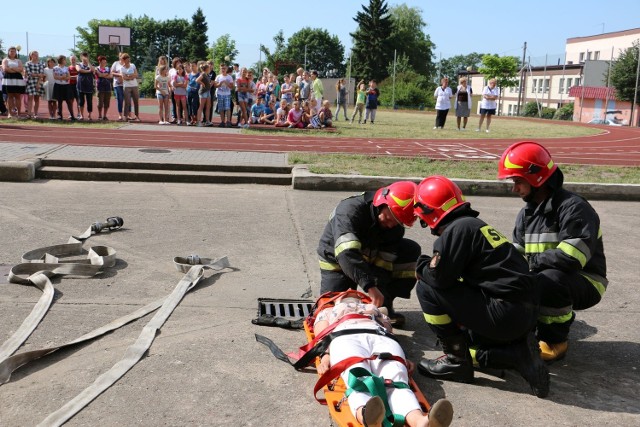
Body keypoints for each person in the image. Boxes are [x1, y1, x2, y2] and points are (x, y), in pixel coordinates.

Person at [413, 175, 549, 398]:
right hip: (524, 314)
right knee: (469, 337)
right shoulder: (476, 227)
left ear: (429, 212)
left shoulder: (457, 230)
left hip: (505, 314)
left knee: (427, 289)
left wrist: (421, 266)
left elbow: (438, 278)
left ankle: (456, 361)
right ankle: (516, 355)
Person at [497, 141, 607, 362]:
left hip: (586, 280)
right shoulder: (526, 214)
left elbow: (572, 258)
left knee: (549, 280)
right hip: (545, 275)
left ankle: (555, 341)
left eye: (518, 181)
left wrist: (531, 264)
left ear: (536, 178)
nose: (514, 188)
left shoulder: (574, 208)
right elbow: (518, 256)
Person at [314, 291, 454, 427]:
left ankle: (420, 422)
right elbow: (321, 335)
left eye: (355, 293)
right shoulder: (328, 311)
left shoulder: (375, 310)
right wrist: (325, 356)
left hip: (380, 337)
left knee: (397, 379)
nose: (350, 292)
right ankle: (368, 417)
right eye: (344, 294)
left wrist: (402, 358)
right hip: (345, 336)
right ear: (336, 300)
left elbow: (389, 331)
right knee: (359, 378)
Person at [317, 181, 420, 326]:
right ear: (383, 203)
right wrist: (370, 286)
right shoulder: (350, 211)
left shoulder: (394, 228)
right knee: (332, 311)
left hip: (367, 258)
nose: (392, 225)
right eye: (391, 218)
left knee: (410, 249)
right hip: (337, 261)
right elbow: (346, 254)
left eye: (399, 222)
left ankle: (385, 306)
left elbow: (384, 265)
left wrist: (380, 294)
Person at [2, 46, 26, 119]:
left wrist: (11, 68)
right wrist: (16, 69)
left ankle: (18, 114)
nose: (12, 53)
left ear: (16, 53)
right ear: (8, 52)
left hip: (18, 79)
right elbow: (5, 69)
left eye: (14, 51)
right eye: (11, 51)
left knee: (17, 96)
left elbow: (21, 69)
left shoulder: (18, 61)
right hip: (8, 79)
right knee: (10, 96)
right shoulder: (5, 60)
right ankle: (10, 113)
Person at [52, 55, 75, 121]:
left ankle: (72, 115)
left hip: (66, 86)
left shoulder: (66, 68)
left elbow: (68, 77)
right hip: (58, 85)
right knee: (59, 101)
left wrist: (64, 77)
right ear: (61, 60)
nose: (65, 61)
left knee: (69, 101)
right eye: (64, 59)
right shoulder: (55, 68)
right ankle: (60, 116)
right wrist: (63, 77)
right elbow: (55, 77)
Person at [25, 51, 45, 119]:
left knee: (37, 98)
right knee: (30, 97)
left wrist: (38, 83)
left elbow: (42, 74)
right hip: (30, 82)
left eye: (37, 55)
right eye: (34, 55)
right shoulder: (28, 63)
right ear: (31, 55)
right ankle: (29, 114)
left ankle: (35, 114)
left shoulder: (40, 64)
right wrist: (37, 74)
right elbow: (29, 73)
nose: (36, 56)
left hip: (38, 82)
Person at [120, 53, 140, 122]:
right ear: (123, 60)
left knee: (136, 101)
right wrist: (130, 76)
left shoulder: (133, 65)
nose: (128, 60)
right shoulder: (122, 68)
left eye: (129, 59)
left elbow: (136, 75)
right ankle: (125, 116)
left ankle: (137, 116)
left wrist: (128, 76)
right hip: (127, 86)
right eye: (127, 59)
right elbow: (124, 77)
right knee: (127, 102)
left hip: (134, 85)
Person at [76, 52, 95, 121]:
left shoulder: (91, 64)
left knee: (89, 101)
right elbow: (79, 70)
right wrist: (88, 71)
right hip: (81, 85)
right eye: (83, 56)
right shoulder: (78, 64)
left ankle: (89, 115)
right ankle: (81, 115)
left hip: (89, 85)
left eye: (86, 56)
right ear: (81, 57)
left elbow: (93, 70)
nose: (85, 57)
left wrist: (88, 62)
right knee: (81, 101)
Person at [214, 63, 234, 128]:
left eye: (224, 68)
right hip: (220, 94)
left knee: (228, 108)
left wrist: (227, 83)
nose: (223, 69)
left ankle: (228, 121)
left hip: (227, 94)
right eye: (222, 68)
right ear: (220, 69)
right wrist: (220, 84)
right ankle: (222, 121)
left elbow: (232, 87)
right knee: (221, 108)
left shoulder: (229, 77)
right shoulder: (218, 77)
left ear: (227, 69)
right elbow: (215, 85)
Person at [95, 56, 112, 121]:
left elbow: (111, 76)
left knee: (107, 103)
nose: (105, 62)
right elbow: (99, 75)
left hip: (107, 87)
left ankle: (105, 115)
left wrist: (103, 74)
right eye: (103, 61)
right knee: (100, 103)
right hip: (100, 87)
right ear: (100, 61)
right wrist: (106, 74)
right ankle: (100, 115)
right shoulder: (97, 68)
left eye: (105, 61)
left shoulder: (108, 68)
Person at [195, 63, 213, 127]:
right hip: (203, 92)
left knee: (208, 106)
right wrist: (202, 83)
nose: (210, 68)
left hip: (208, 91)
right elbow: (197, 80)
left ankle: (207, 121)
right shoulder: (203, 74)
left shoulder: (207, 74)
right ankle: (198, 121)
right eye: (209, 68)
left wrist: (211, 84)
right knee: (201, 106)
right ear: (206, 69)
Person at [111, 53, 125, 121]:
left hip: (126, 85)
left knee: (128, 100)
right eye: (120, 56)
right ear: (119, 57)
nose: (122, 58)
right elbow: (112, 72)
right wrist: (119, 74)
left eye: (123, 56)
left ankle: (128, 115)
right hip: (117, 84)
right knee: (120, 99)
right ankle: (120, 114)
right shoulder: (115, 63)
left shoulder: (128, 64)